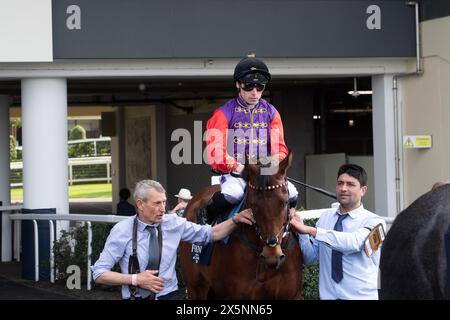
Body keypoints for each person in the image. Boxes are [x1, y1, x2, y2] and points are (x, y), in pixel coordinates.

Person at [91, 179, 254, 300]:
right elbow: (99, 273)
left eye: (164, 202)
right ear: (140, 204)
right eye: (157, 203)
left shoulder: (173, 223)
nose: (163, 209)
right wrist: (136, 279)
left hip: (171, 296)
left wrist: (235, 219)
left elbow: (212, 233)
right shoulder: (121, 231)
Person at [205, 56, 298, 217]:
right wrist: (239, 168)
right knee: (233, 195)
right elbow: (215, 152)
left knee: (293, 193)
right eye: (248, 87)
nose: (254, 93)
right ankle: (206, 219)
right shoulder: (223, 113)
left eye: (259, 87)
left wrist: (270, 165)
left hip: (264, 172)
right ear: (238, 85)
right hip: (236, 173)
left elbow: (280, 149)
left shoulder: (272, 113)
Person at [290, 164, 386, 300]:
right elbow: (310, 258)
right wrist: (302, 231)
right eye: (340, 183)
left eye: (350, 184)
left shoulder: (376, 222)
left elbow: (354, 243)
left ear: (363, 190)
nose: (343, 189)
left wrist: (311, 230)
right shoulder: (325, 218)